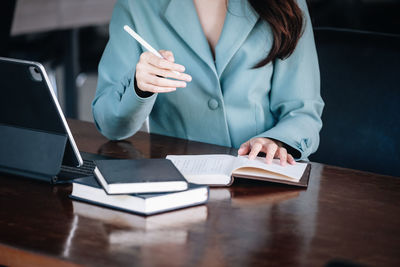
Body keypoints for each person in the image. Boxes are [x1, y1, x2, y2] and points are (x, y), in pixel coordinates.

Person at [92, 0, 324, 166]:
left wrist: (274, 141)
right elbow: (111, 125)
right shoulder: (135, 6)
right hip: (177, 186)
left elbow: (303, 112)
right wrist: (138, 87)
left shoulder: (288, 6)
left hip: (262, 178)